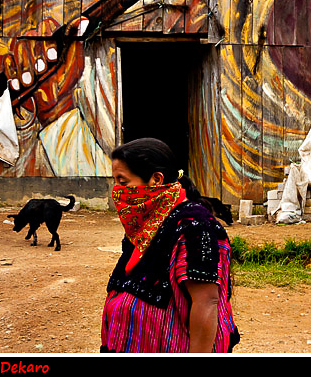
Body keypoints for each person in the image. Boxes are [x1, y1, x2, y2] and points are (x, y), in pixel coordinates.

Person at [100, 137, 238, 353]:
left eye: (123, 182)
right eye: (115, 181)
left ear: (156, 179)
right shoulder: (145, 223)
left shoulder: (195, 225)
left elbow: (207, 302)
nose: (117, 190)